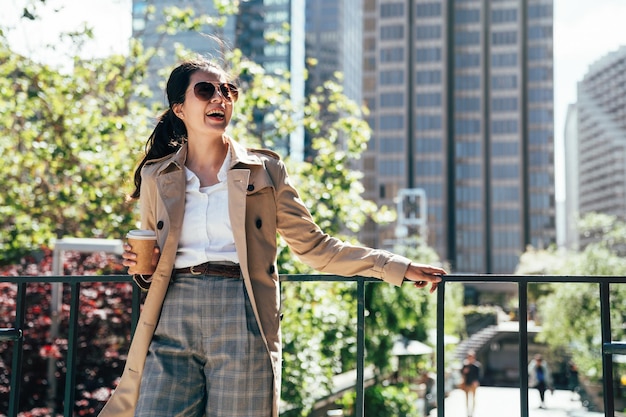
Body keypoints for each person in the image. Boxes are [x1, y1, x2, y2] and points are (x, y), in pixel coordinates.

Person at [97, 56, 446, 417]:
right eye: (206, 90)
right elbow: (151, 264)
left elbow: (315, 247)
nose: (220, 98)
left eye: (227, 90)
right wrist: (142, 268)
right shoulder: (159, 176)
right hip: (172, 314)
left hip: (242, 312)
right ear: (180, 108)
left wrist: (396, 267)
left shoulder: (265, 171)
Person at [460, 350, 481, 417]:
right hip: (466, 383)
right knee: (466, 398)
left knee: (473, 398)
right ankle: (467, 411)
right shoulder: (465, 365)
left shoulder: (476, 366)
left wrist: (476, 381)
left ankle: (472, 411)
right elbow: (461, 373)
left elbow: (478, 375)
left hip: (473, 384)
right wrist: (464, 371)